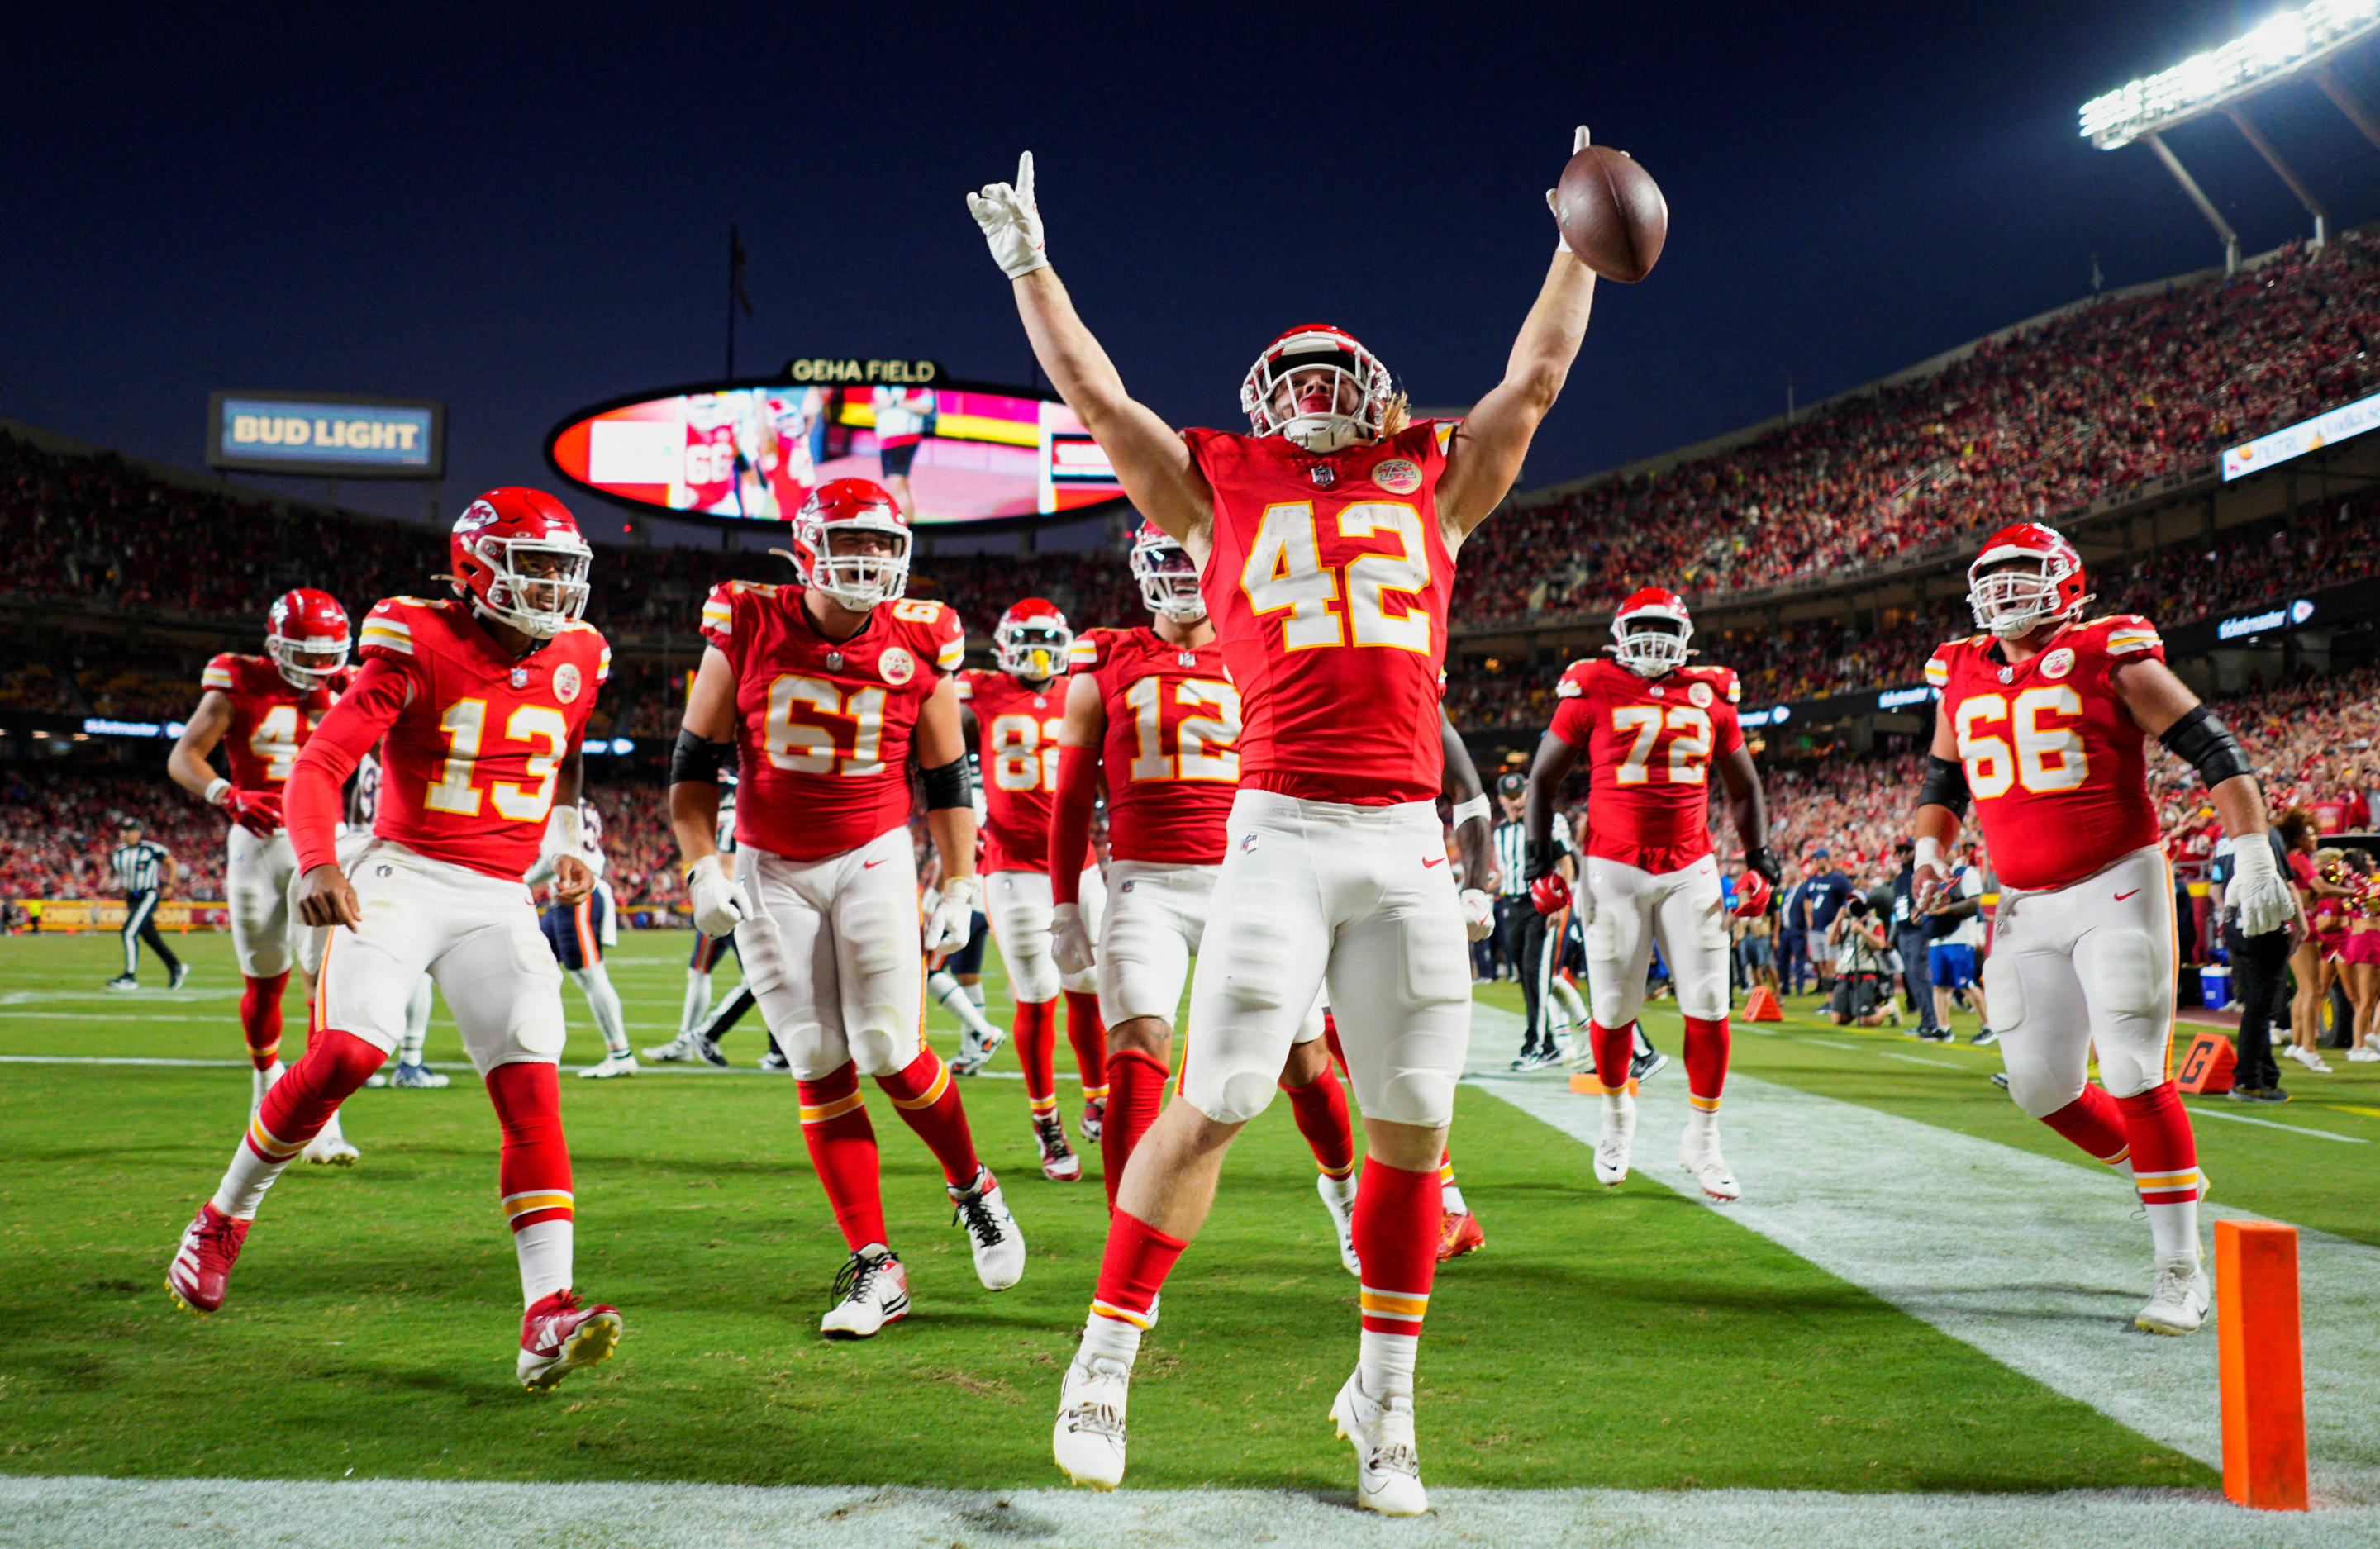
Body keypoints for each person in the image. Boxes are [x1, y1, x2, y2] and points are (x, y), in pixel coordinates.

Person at [972, 126, 1597, 1512]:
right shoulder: (1214, 490)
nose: (1316, 398)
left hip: (1405, 843)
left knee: (1415, 1124)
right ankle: (1104, 1361)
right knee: (1221, 1097)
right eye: (1294, 381)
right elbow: (1088, 387)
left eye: (1339, 379)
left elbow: (1539, 375)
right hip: (1278, 831)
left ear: (1376, 397)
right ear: (1263, 404)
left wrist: (1572, 238)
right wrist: (1033, 264)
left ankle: (1385, 1401)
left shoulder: (1437, 476)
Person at [165, 487, 626, 1392]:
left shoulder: (580, 654)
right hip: (403, 873)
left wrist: (567, 842)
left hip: (498, 893)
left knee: (531, 1079)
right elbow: (323, 764)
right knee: (345, 1051)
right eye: (531, 566)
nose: (551, 588)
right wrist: (314, 861)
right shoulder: (417, 638)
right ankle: (223, 1217)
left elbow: (568, 751)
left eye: (561, 569)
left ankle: (546, 1315)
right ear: (476, 566)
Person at [1914, 521, 2294, 1336]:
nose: (2007, 591)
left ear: (2069, 582)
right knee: (2041, 1086)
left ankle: (2179, 1269)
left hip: (2116, 880)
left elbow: (2213, 749)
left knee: (2130, 1067)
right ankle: (2169, 1175)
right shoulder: (1958, 670)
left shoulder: (2108, 650)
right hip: (2022, 898)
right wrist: (1927, 849)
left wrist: (2254, 854)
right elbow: (1945, 773)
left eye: (2025, 574)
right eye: (1995, 576)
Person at [669, 477, 1025, 1339]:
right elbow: (690, 770)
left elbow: (946, 777)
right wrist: (699, 868)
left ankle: (974, 1187)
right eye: (848, 543)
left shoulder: (922, 638)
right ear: (804, 550)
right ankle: (876, 1265)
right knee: (817, 1056)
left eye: (879, 545)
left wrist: (957, 879)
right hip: (769, 864)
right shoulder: (748, 620)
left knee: (889, 1047)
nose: (865, 561)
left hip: (870, 854)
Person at [1047, 520, 1373, 1270]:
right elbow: (1070, 797)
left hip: (1253, 878)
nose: (1184, 572)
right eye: (1169, 558)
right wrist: (1067, 899)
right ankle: (1124, 1244)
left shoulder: (1266, 641)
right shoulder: (1107, 656)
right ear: (1141, 569)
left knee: (1304, 1059)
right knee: (1136, 1049)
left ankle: (1344, 1190)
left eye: (1194, 556)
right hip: (1145, 881)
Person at [1524, 587, 1778, 1200]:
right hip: (1612, 868)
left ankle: (1704, 1138)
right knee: (1612, 1010)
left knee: (1712, 1001)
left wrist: (1761, 858)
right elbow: (1542, 779)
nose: (1654, 639)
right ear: (1618, 634)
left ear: (1687, 637)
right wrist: (1540, 859)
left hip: (1690, 865)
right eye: (1643, 627)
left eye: (1665, 627)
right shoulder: (1593, 686)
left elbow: (1743, 787)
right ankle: (1615, 1120)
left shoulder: (1712, 694)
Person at [166, 589, 351, 1114]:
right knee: (266, 977)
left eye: (327, 653)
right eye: (307, 652)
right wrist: (226, 794)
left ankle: (321, 1113)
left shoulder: (352, 683)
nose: (318, 665)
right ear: (276, 646)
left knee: (326, 978)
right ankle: (265, 1080)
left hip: (324, 842)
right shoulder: (237, 680)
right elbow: (185, 757)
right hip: (258, 840)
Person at [959, 596, 1108, 1180]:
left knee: (1088, 987)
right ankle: (1046, 1120)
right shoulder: (981, 688)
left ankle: (1098, 1093)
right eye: (1030, 642)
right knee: (1037, 993)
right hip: (1013, 866)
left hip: (1078, 862)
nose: (1041, 655)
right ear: (1004, 647)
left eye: (1050, 642)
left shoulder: (1083, 687)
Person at [528, 801, 636, 1079]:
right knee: (531, 968)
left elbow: (553, 859)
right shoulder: (581, 802)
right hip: (563, 898)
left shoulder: (554, 801)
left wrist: (519, 879)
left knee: (591, 976)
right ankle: (527, 1041)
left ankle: (621, 1053)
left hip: (577, 895)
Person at [645, 768, 743, 1067]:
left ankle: (692, 1037)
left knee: (751, 978)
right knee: (757, 978)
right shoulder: (736, 813)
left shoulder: (713, 817)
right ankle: (692, 1039)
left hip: (721, 898)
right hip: (738, 898)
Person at [1492, 769, 1573, 1068]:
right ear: (1501, 799)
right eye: (1510, 798)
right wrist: (1478, 889)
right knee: (1527, 977)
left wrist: (1560, 905)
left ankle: (1535, 1047)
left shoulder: (1545, 821)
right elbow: (1506, 872)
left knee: (1536, 973)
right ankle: (1549, 1044)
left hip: (1540, 905)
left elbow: (1566, 864)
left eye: (1520, 796)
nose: (1516, 803)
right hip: (1511, 907)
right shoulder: (1500, 831)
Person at [2209, 827, 2296, 1100]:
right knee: (2262, 1007)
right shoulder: (2264, 834)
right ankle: (2248, 1080)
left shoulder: (2224, 838)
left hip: (2235, 925)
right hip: (2264, 925)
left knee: (2255, 1005)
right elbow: (2284, 881)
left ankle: (2267, 1076)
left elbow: (2215, 887)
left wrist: (2229, 918)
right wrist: (2300, 924)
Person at [2278, 810, 2343, 1075]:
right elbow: (2321, 889)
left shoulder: (2294, 859)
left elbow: (2312, 893)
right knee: (2312, 988)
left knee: (2305, 990)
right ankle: (2309, 1048)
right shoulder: (2298, 858)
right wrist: (2356, 890)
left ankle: (2297, 1044)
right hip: (2301, 928)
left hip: (2298, 926)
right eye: (2309, 833)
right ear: (2297, 837)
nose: (2315, 837)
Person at [105, 822, 187, 993]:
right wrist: (110, 883)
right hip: (131, 897)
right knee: (150, 937)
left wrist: (169, 885)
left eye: (129, 831)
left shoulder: (151, 849)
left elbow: (171, 862)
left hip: (147, 895)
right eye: (122, 831)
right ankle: (176, 966)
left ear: (138, 833)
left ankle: (129, 976)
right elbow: (113, 874)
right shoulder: (118, 853)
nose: (124, 834)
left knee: (128, 932)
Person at [1926, 848, 1991, 1044]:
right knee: (1939, 984)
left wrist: (1946, 909)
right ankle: (1943, 1028)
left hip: (1960, 936)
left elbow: (1974, 903)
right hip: (1939, 937)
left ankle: (1989, 1026)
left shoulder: (1966, 873)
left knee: (1966, 984)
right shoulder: (1935, 876)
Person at [1888, 839, 1941, 1038]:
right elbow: (1897, 907)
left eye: (1906, 851)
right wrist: (1893, 935)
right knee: (1913, 979)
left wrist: (1926, 917)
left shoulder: (1921, 873)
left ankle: (1933, 1023)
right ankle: (1926, 1021)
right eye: (1900, 852)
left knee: (1920, 977)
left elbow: (1936, 897)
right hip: (1904, 933)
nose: (1902, 856)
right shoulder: (1901, 878)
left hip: (1917, 933)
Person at [1825, 894, 1894, 1027]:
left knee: (1866, 1022)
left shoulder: (1874, 923)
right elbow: (1831, 942)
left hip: (1865, 973)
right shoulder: (1844, 923)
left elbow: (1880, 945)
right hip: (1844, 973)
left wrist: (1862, 930)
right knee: (1839, 1020)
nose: (1852, 905)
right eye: (1850, 902)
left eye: (1856, 902)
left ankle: (1889, 1008)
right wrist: (1837, 921)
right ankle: (1854, 1010)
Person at [1802, 848, 1854, 993]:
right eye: (1814, 860)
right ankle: (1828, 993)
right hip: (1815, 928)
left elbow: (1850, 896)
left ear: (1826, 859)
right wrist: (1808, 918)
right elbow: (1807, 899)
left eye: (1819, 859)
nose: (1816, 862)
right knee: (1821, 963)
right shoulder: (1811, 880)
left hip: (1830, 927)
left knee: (1832, 963)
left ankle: (1835, 995)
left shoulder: (1837, 879)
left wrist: (1841, 917)